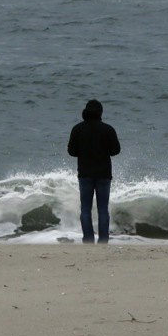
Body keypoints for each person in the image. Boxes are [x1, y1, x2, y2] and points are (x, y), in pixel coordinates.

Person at [67, 99, 121, 244]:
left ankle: (88, 240)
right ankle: (103, 240)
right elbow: (116, 150)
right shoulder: (108, 129)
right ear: (100, 113)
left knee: (85, 209)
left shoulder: (77, 129)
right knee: (103, 209)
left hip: (85, 174)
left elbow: (71, 152)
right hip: (104, 174)